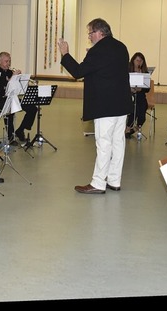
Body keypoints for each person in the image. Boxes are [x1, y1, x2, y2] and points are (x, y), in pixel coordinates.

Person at [58, 18, 132, 194]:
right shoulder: (121, 47)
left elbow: (77, 72)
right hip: (121, 103)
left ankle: (98, 183)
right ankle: (114, 180)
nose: (89, 37)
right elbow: (106, 69)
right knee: (118, 142)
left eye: (90, 33)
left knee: (104, 143)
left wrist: (65, 54)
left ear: (99, 32)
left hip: (105, 105)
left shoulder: (97, 51)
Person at [0, 51, 37, 143]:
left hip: (12, 98)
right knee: (10, 110)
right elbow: (2, 90)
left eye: (9, 61)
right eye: (6, 61)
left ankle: (20, 130)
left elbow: (16, 88)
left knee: (32, 108)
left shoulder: (10, 72)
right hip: (0, 99)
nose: (8, 64)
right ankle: (10, 137)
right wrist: (13, 78)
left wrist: (21, 79)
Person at [125, 52, 150, 139]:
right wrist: (130, 89)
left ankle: (135, 129)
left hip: (141, 96)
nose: (139, 62)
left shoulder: (145, 72)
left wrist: (141, 89)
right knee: (133, 111)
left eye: (141, 60)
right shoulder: (128, 71)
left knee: (142, 114)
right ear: (133, 61)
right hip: (130, 95)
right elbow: (123, 84)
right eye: (137, 60)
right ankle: (127, 129)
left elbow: (147, 89)